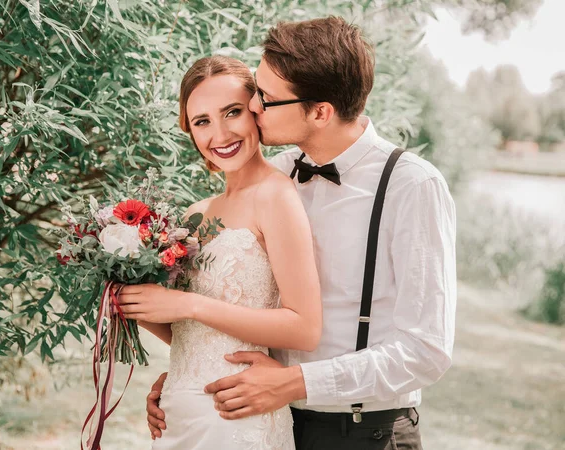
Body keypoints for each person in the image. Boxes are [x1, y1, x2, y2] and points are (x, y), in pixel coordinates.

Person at [147, 16, 457, 450]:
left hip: (365, 430)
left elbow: (426, 351)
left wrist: (297, 383)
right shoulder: (270, 175)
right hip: (265, 421)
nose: (253, 107)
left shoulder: (410, 185)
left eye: (265, 99)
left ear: (320, 111)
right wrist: (190, 380)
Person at [117, 55, 321, 450]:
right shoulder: (196, 214)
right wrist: (132, 302)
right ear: (189, 131)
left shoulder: (276, 195)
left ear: (257, 112)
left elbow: (304, 328)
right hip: (179, 412)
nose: (221, 134)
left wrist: (188, 304)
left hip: (239, 416)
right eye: (202, 121)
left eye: (232, 112)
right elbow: (190, 333)